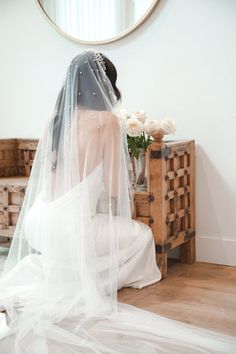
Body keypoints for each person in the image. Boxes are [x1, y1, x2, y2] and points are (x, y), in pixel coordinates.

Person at [0, 50, 235, 353]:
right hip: (72, 230)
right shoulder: (106, 121)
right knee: (142, 235)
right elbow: (113, 189)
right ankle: (91, 282)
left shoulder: (54, 119)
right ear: (105, 84)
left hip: (39, 224)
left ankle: (78, 275)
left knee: (88, 241)